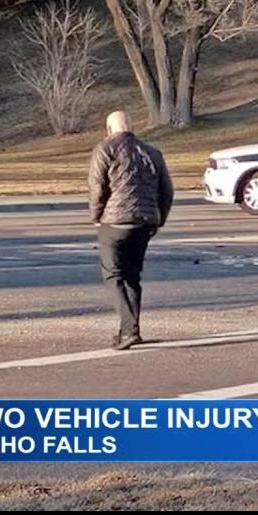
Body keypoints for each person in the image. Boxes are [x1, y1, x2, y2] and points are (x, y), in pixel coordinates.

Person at [88, 110, 174, 350]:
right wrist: (158, 219)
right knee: (132, 276)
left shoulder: (105, 149)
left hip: (115, 221)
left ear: (109, 129)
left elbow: (97, 187)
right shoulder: (152, 152)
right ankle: (129, 329)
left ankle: (129, 330)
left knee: (113, 275)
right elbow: (167, 191)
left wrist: (96, 216)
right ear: (131, 126)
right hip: (144, 222)